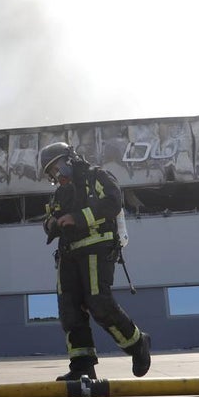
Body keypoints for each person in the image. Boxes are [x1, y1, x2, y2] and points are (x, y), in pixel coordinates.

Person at [40, 142, 151, 381]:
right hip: (68, 255)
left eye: (57, 168)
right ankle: (82, 366)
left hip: (96, 249)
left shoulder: (97, 176)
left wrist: (77, 217)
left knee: (98, 302)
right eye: (51, 174)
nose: (56, 176)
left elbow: (112, 202)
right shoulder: (60, 192)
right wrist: (51, 224)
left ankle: (137, 343)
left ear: (69, 159)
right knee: (69, 310)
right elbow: (51, 218)